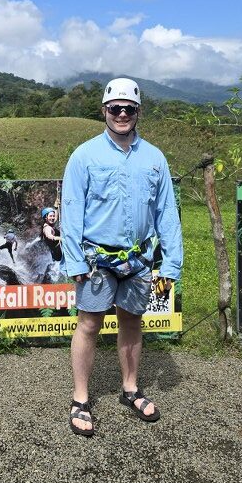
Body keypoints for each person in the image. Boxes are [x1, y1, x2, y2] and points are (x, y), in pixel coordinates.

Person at [61, 77, 182, 436]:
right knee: (89, 324)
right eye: (115, 108)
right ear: (104, 111)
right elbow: (71, 209)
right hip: (97, 260)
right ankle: (80, 398)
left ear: (138, 112)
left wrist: (171, 262)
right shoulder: (84, 155)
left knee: (132, 321)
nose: (122, 114)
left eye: (129, 109)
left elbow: (167, 213)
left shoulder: (154, 158)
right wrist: (75, 261)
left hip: (140, 260)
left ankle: (130, 389)